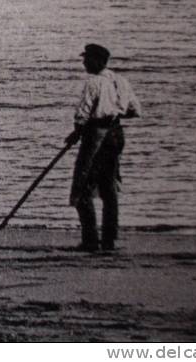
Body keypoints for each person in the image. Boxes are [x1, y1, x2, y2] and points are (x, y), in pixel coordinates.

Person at [66, 44, 140, 253]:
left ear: (98, 61)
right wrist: (114, 114)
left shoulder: (94, 82)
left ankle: (90, 240)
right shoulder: (121, 81)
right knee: (108, 188)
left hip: (96, 136)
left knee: (82, 187)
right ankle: (109, 240)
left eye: (87, 59)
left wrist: (77, 132)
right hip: (116, 135)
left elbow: (83, 113)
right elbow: (135, 109)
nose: (84, 63)